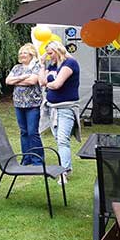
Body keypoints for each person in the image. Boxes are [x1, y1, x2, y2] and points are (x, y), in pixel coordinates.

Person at [39, 41, 81, 184]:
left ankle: (64, 172)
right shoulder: (52, 65)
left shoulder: (70, 63)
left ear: (58, 50)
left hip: (66, 108)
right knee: (58, 139)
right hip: (53, 107)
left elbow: (57, 84)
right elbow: (41, 81)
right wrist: (42, 64)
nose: (49, 56)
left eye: (50, 53)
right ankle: (65, 168)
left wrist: (47, 84)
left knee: (63, 139)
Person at [6, 43, 44, 166]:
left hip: (32, 104)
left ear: (32, 55)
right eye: (21, 53)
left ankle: (37, 159)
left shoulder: (37, 66)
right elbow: (8, 81)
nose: (22, 55)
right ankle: (26, 158)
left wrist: (17, 81)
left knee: (32, 132)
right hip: (18, 104)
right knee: (23, 132)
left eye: (25, 53)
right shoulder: (17, 68)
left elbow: (33, 81)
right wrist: (23, 77)